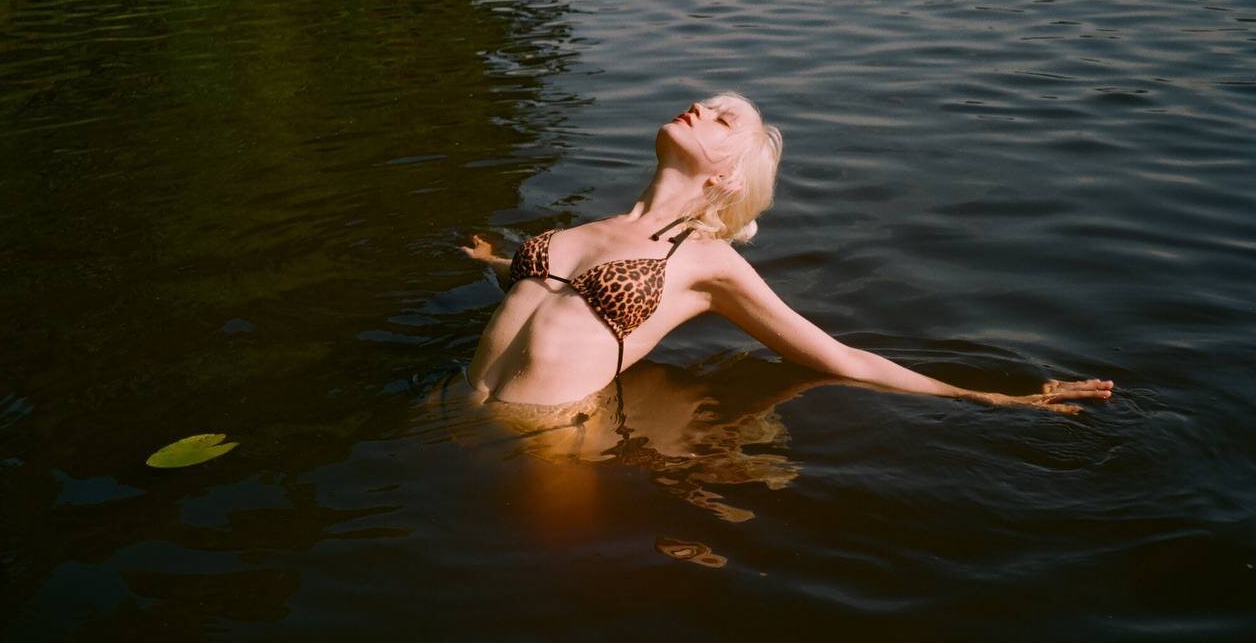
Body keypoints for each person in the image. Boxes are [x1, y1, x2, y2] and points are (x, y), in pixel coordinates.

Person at [458, 92, 1114, 412]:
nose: (699, 106)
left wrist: (990, 397)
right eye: (706, 104)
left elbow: (838, 356)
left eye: (723, 119)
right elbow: (559, 293)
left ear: (728, 178)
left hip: (547, 441)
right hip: (451, 412)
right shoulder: (588, 229)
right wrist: (498, 260)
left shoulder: (708, 263)